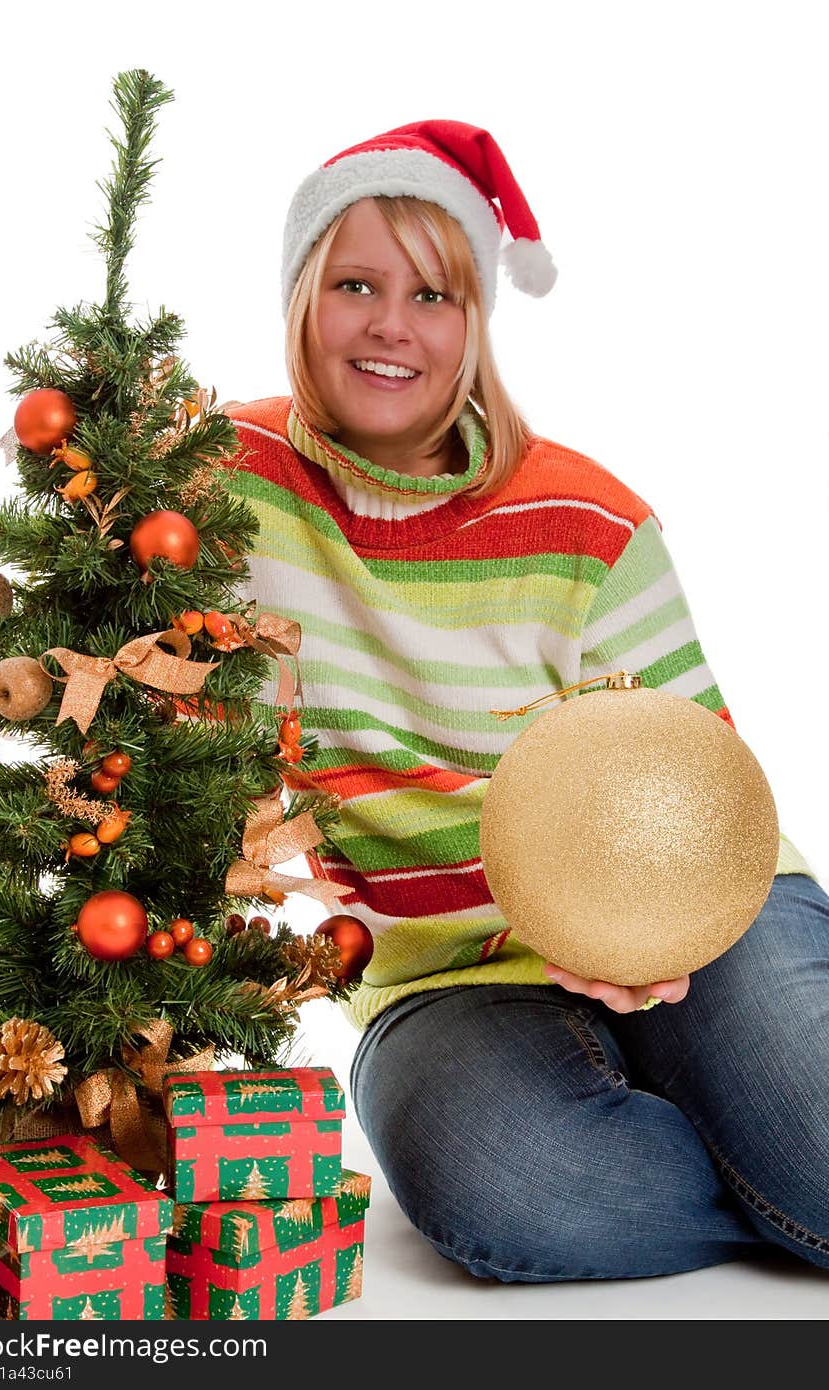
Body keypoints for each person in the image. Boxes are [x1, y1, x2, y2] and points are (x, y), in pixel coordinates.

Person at [220, 120, 829, 1281]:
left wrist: (651, 941)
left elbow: (696, 779)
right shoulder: (217, 483)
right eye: (356, 283)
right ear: (302, 295)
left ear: (475, 326)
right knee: (509, 1189)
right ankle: (752, 1149)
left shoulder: (587, 522)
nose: (392, 323)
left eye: (434, 294)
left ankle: (750, 1114)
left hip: (693, 924)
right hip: (443, 978)